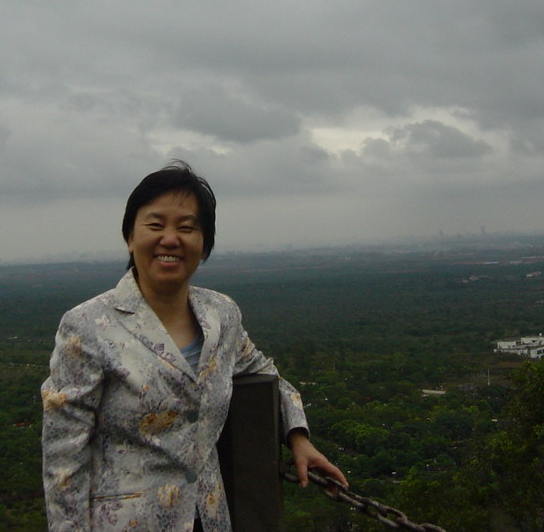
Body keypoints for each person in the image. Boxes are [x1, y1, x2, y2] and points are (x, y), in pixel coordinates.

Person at [41, 161, 346, 532]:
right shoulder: (87, 325)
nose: (171, 239)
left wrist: (296, 435)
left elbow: (261, 372)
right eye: (155, 225)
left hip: (212, 516)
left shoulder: (221, 314)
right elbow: (64, 456)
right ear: (130, 237)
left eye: (187, 228)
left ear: (204, 245)